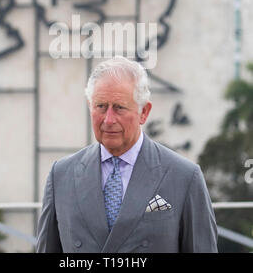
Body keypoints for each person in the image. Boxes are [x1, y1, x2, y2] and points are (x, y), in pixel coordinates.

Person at [36, 56, 218, 253]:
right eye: (101, 106)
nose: (108, 119)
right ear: (90, 106)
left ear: (144, 112)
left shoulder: (184, 176)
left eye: (119, 107)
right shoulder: (61, 175)